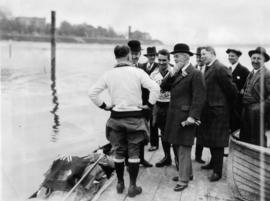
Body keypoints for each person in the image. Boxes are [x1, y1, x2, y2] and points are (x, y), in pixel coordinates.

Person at [88, 45, 160, 197]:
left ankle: (120, 183)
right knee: (134, 152)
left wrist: (105, 106)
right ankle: (133, 186)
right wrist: (149, 105)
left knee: (119, 151)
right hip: (135, 118)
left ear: (115, 57)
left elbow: (92, 93)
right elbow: (155, 89)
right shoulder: (138, 72)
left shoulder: (108, 74)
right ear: (128, 56)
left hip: (116, 118)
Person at [161, 43, 206, 191]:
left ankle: (183, 179)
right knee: (177, 144)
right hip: (174, 115)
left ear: (186, 57)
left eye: (177, 56)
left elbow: (199, 98)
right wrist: (172, 72)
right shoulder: (177, 72)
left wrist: (193, 116)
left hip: (186, 117)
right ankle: (187, 173)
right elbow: (164, 87)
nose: (174, 58)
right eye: (174, 56)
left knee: (184, 148)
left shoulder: (195, 73)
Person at [197, 46, 238, 182]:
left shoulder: (220, 68)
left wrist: (223, 106)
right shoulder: (207, 67)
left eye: (204, 54)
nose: (201, 56)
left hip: (218, 112)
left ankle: (217, 172)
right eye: (200, 54)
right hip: (209, 111)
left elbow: (232, 91)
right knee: (211, 140)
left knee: (218, 143)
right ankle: (213, 163)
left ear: (212, 53)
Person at [127, 40, 153, 167]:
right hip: (129, 107)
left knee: (142, 133)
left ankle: (141, 158)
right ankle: (129, 160)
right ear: (128, 53)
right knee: (129, 134)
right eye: (133, 53)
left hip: (142, 107)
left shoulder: (142, 67)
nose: (136, 56)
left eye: (138, 53)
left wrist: (148, 105)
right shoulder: (122, 68)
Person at [240, 46, 270, 146]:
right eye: (253, 58)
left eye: (259, 58)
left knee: (258, 139)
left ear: (264, 60)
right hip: (246, 110)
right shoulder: (251, 73)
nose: (255, 61)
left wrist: (260, 108)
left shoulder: (267, 74)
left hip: (257, 113)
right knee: (245, 137)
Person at [150, 49, 174, 167]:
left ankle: (178, 160)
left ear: (169, 60)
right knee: (163, 133)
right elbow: (151, 93)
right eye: (159, 60)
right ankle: (167, 157)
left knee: (173, 133)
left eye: (164, 60)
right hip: (159, 106)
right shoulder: (153, 74)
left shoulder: (174, 71)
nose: (161, 62)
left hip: (172, 105)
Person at [226, 48, 250, 133]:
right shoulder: (227, 69)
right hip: (229, 102)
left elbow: (249, 83)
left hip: (239, 103)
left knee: (237, 124)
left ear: (238, 57)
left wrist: (243, 91)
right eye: (229, 56)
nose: (230, 57)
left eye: (232, 56)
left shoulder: (243, 70)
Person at [141, 47, 159, 152]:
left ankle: (154, 144)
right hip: (143, 98)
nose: (152, 57)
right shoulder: (141, 66)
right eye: (150, 55)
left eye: (153, 55)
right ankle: (143, 141)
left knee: (153, 123)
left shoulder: (158, 66)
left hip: (154, 99)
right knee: (143, 121)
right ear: (147, 56)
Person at [194, 46, 206, 164]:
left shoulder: (208, 69)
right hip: (194, 105)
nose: (199, 59)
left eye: (200, 56)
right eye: (197, 56)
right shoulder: (192, 69)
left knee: (202, 132)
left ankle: (199, 155)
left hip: (205, 107)